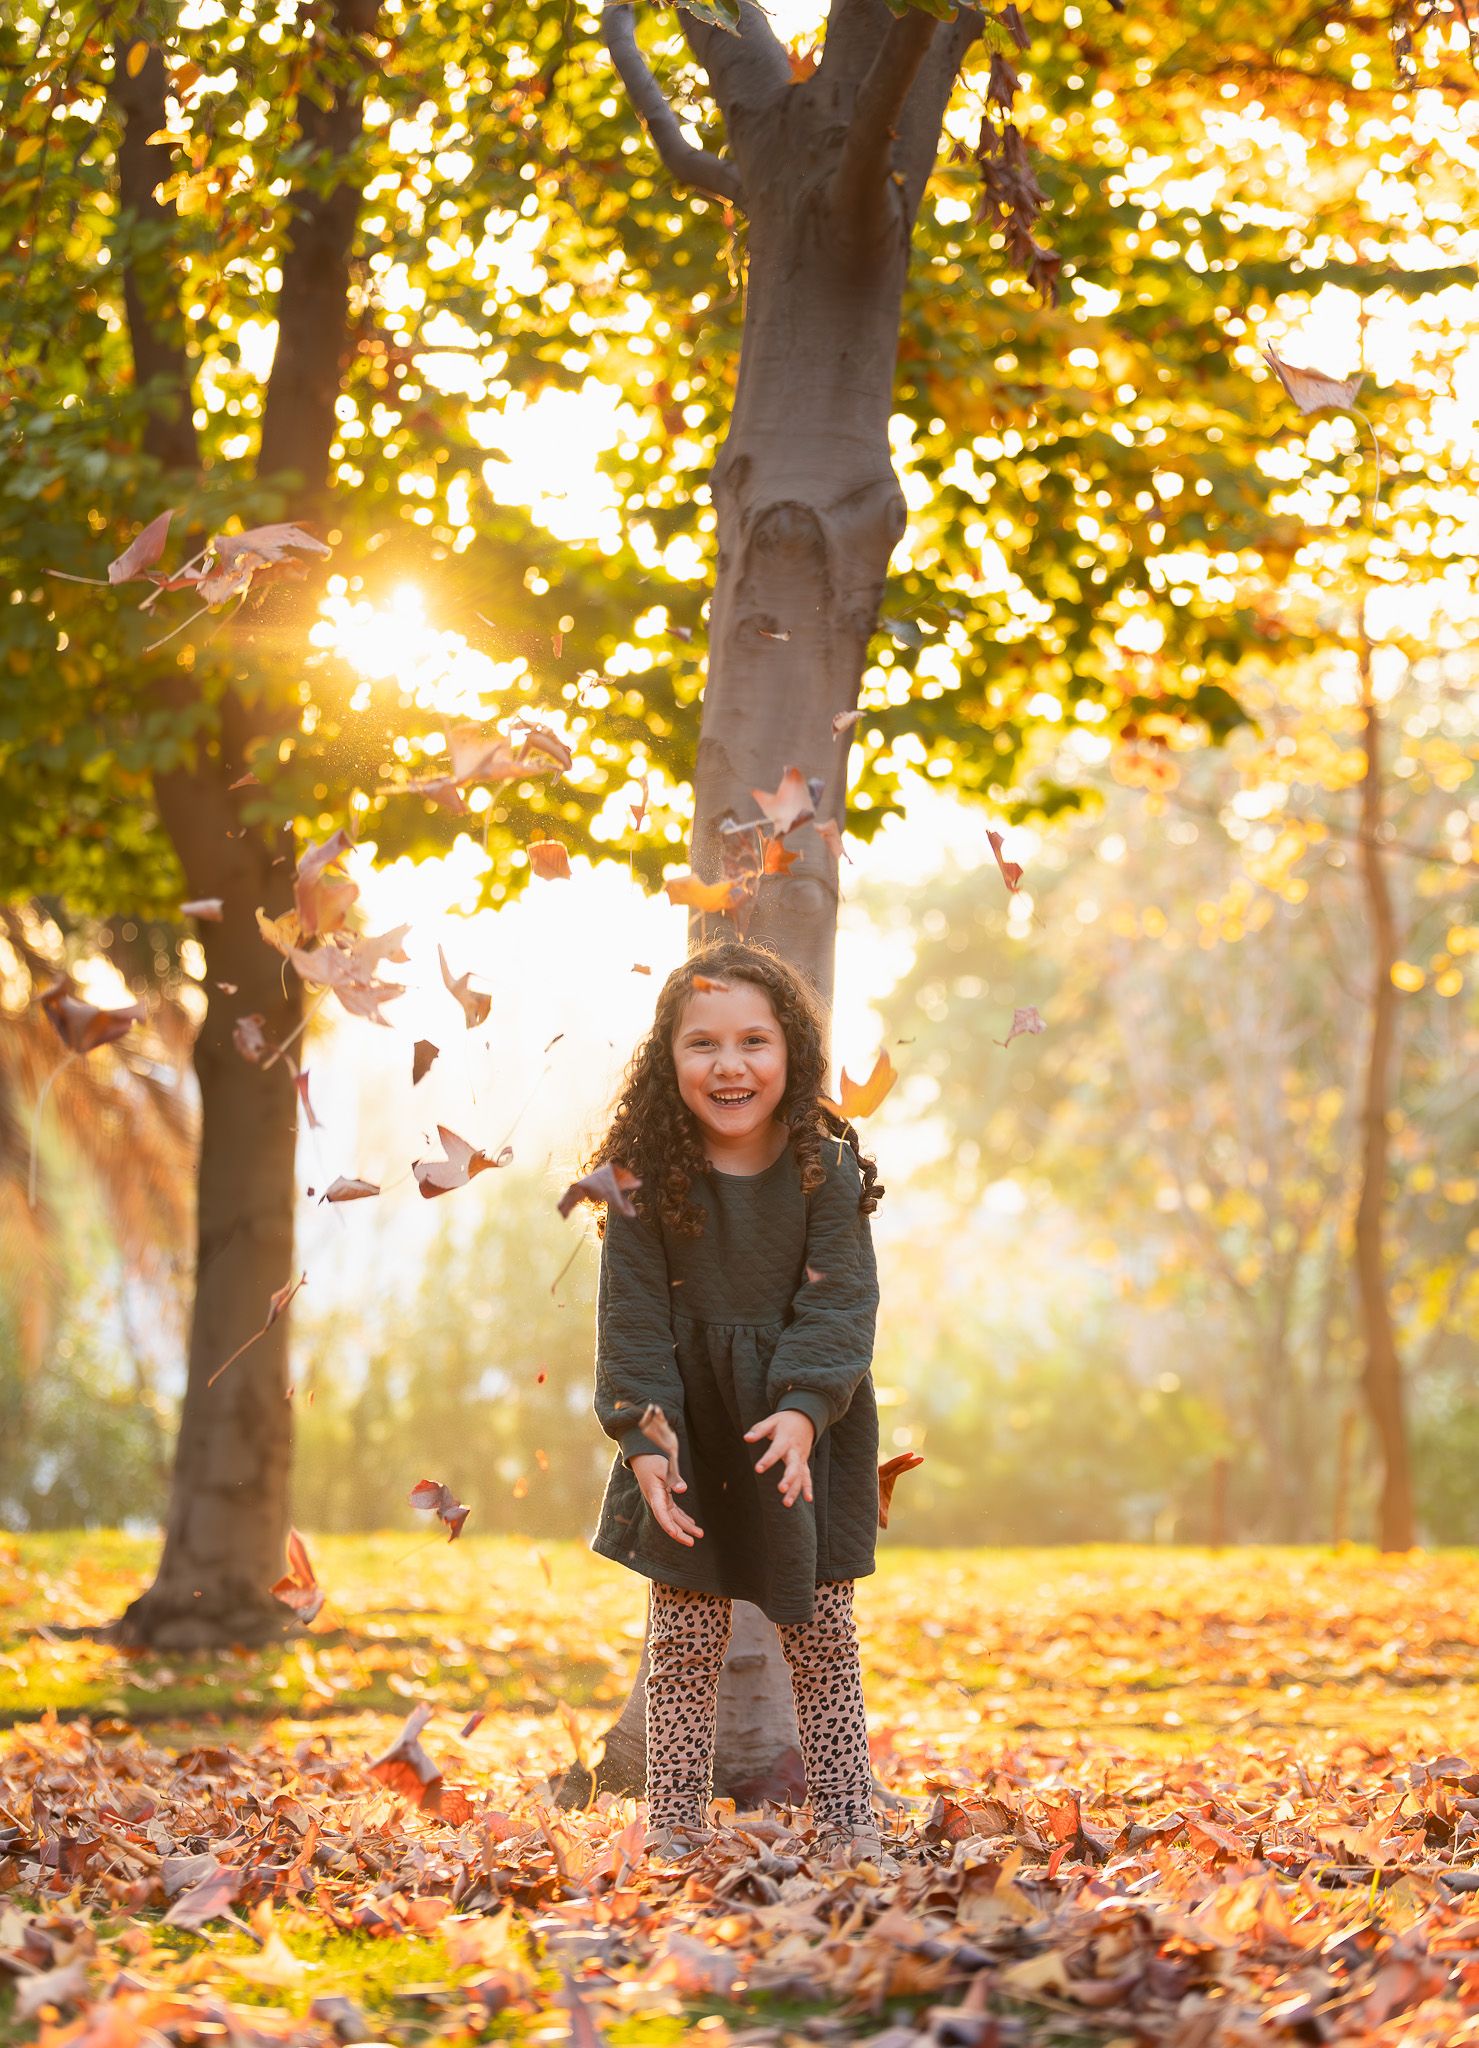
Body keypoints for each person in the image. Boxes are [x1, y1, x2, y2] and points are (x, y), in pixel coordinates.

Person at [583, 934, 889, 1870]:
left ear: (791, 1051)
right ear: (667, 1060)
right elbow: (631, 1324)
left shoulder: (825, 1169)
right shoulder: (640, 1185)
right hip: (687, 1432)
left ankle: (848, 1823)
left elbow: (839, 1302)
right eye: (702, 1044)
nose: (729, 1065)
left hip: (802, 1435)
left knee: (821, 1636)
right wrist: (644, 1440)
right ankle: (674, 1827)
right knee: (682, 1642)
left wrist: (802, 1407)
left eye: (754, 1041)